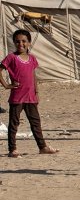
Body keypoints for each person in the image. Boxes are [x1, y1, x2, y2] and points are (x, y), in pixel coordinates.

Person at [3, 29, 58, 157]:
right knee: (14, 123)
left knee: (35, 122)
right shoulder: (11, 57)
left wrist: (36, 92)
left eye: (24, 41)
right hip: (17, 97)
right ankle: (12, 149)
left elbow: (33, 75)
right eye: (17, 41)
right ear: (14, 42)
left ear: (29, 43)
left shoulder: (32, 58)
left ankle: (42, 147)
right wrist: (7, 85)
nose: (20, 44)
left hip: (31, 96)